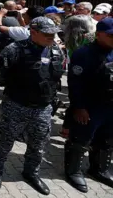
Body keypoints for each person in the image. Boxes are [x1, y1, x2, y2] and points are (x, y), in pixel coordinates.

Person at [0, 17, 65, 195]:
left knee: (39, 144)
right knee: (5, 139)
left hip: (43, 107)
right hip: (17, 105)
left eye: (53, 34)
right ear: (33, 32)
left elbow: (57, 78)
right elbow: (0, 75)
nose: (51, 37)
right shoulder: (14, 50)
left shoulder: (56, 51)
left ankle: (31, 173)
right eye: (47, 34)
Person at [64, 17, 113, 193]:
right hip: (90, 107)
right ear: (99, 34)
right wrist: (79, 107)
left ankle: (99, 169)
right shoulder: (83, 54)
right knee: (80, 140)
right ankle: (73, 170)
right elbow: (75, 83)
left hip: (110, 106)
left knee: (106, 140)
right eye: (110, 35)